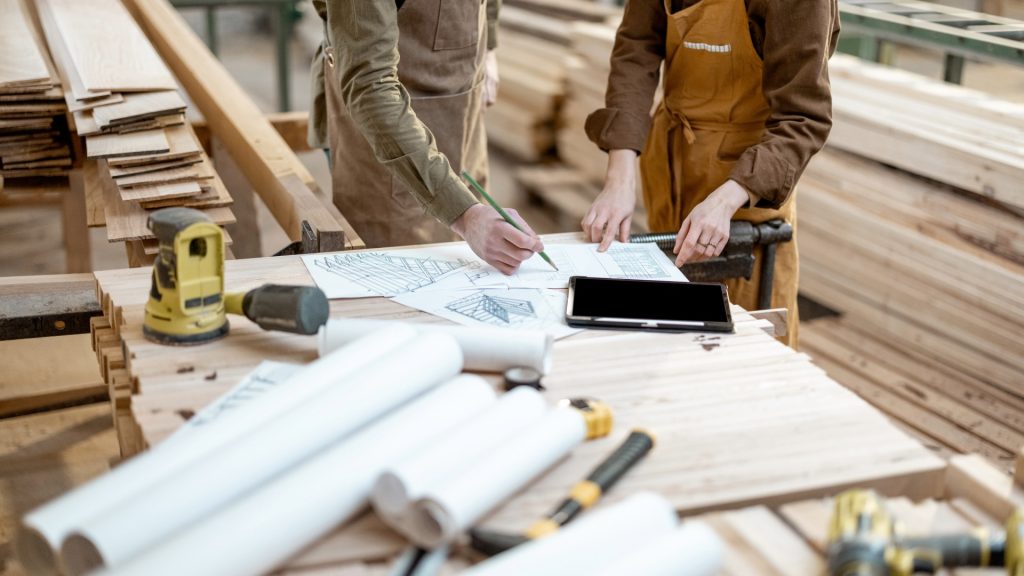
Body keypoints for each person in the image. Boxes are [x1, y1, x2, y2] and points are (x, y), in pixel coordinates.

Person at [580, 0, 839, 347]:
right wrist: (619, 177)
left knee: (745, 344)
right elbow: (637, 46)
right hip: (671, 164)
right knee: (672, 331)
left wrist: (729, 197)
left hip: (747, 185)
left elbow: (803, 118)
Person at [308, 0, 542, 275]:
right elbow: (370, 89)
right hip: (385, 139)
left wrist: (487, 44)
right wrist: (465, 214)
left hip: (462, 115)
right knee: (399, 284)